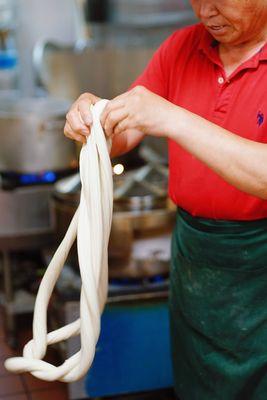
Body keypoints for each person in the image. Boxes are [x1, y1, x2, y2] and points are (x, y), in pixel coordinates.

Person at [64, 1, 267, 399]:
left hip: (258, 262)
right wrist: (93, 119)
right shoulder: (181, 48)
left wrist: (171, 117)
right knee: (197, 383)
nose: (205, 12)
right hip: (195, 254)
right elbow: (124, 133)